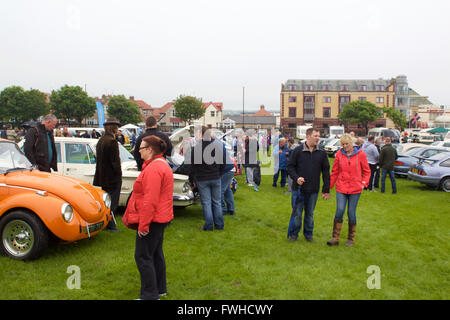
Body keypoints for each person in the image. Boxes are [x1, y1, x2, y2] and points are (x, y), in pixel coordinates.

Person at [122, 136, 174, 300]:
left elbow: (150, 200)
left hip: (153, 219)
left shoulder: (154, 169)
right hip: (159, 217)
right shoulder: (160, 165)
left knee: (143, 256)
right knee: (155, 253)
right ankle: (160, 289)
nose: (139, 150)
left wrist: (143, 225)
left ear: (150, 150)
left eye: (141, 148)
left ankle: (149, 295)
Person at [286, 128, 330, 242]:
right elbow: (290, 167)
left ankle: (308, 234)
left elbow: (326, 171)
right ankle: (294, 234)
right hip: (298, 189)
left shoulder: (321, 153)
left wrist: (326, 189)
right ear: (308, 136)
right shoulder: (297, 151)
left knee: (309, 214)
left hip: (313, 189)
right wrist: (296, 178)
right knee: (297, 213)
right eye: (315, 136)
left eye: (318, 136)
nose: (318, 138)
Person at [327, 134, 371, 247]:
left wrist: (363, 183)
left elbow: (367, 171)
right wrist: (328, 188)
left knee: (351, 212)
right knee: (340, 210)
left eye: (347, 144)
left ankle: (350, 238)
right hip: (341, 187)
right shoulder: (339, 155)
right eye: (343, 144)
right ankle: (335, 237)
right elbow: (335, 172)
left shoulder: (361, 154)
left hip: (355, 189)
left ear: (352, 143)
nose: (345, 146)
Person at [186, 126, 225, 231]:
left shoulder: (197, 148)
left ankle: (209, 226)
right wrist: (218, 173)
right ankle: (219, 225)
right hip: (214, 177)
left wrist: (191, 180)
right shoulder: (216, 147)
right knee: (216, 202)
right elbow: (223, 164)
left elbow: (192, 167)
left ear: (202, 135)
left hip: (203, 179)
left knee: (207, 202)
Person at [93, 117, 123, 232]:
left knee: (106, 201)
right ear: (114, 128)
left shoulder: (101, 140)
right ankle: (110, 225)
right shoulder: (112, 142)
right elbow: (115, 162)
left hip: (103, 176)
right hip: (112, 177)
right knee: (112, 202)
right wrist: (119, 175)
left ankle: (107, 223)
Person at [220, 142, 237, 215]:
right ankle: (231, 209)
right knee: (227, 190)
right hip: (231, 169)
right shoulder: (221, 145)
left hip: (227, 170)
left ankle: (223, 209)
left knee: (220, 191)